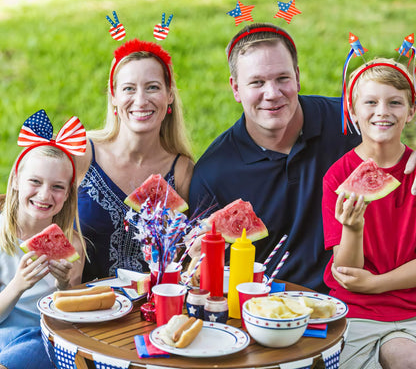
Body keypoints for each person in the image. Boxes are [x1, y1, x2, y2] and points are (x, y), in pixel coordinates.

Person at [188, 22, 362, 292]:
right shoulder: (213, 173)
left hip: (357, 297)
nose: (272, 94)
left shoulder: (350, 125)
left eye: (282, 78)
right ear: (235, 88)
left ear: (297, 76)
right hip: (265, 310)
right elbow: (210, 276)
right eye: (257, 82)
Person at [322, 58, 416, 368]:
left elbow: (364, 281)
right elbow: (347, 272)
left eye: (395, 103)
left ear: (411, 111)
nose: (382, 111)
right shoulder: (338, 177)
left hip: (411, 311)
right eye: (371, 102)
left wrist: (376, 283)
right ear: (353, 112)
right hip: (354, 310)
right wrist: (353, 228)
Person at [77, 38, 194, 282]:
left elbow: (187, 257)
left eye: (152, 87)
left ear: (169, 95)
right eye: (129, 88)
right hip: (83, 306)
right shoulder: (83, 153)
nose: (141, 100)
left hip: (152, 312)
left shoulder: (181, 171)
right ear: (113, 97)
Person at [0, 110, 86, 369]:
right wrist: (17, 285)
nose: (45, 195)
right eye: (35, 182)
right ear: (16, 180)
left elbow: (70, 320)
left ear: (68, 193)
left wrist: (63, 285)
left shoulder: (74, 247)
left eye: (57, 187)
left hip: (41, 337)